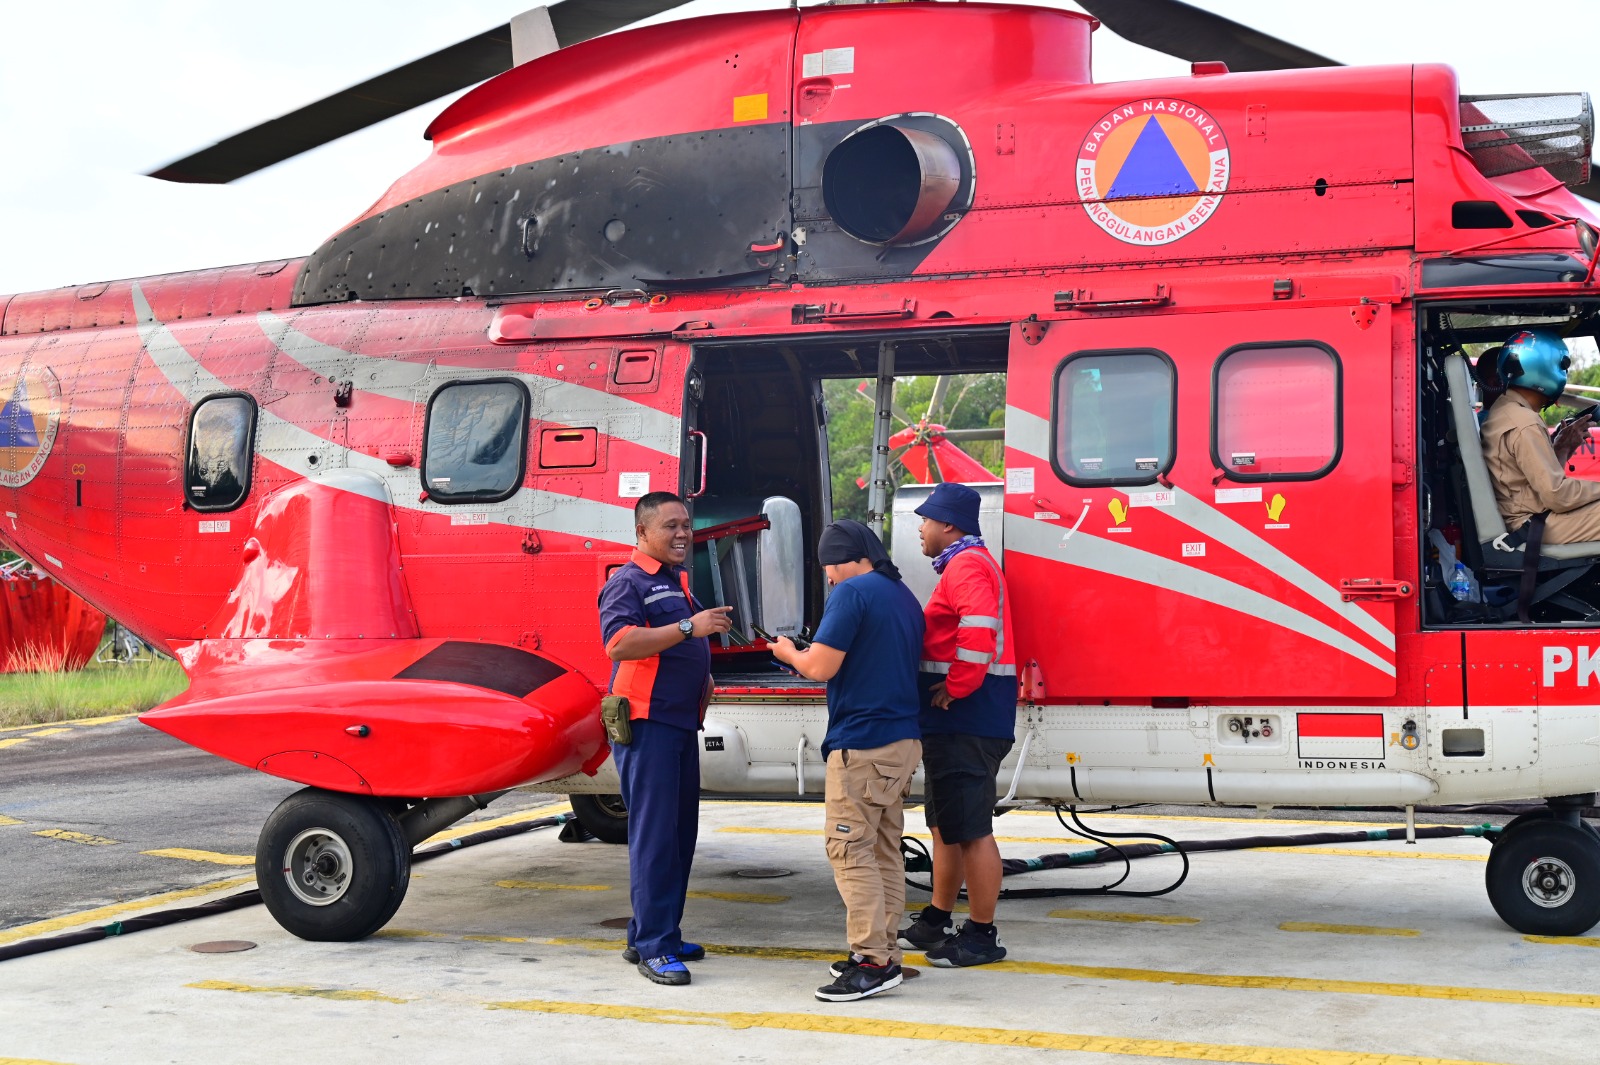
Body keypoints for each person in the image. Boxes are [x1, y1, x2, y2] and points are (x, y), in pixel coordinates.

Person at [771, 519, 924, 1002]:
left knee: (849, 851)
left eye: (828, 568)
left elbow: (820, 667)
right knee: (883, 851)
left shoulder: (853, 592)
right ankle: (886, 954)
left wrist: (788, 653)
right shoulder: (902, 595)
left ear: (845, 561)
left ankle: (870, 962)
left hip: (863, 743)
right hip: (901, 741)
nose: (828, 577)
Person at [597, 491, 732, 985]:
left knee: (678, 835)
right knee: (656, 838)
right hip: (648, 724)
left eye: (686, 524)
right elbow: (619, 643)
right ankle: (655, 947)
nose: (682, 533)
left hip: (677, 723)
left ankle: (655, 934)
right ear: (642, 532)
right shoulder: (628, 581)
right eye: (670, 525)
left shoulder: (674, 580)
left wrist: (703, 676)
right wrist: (689, 627)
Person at [897, 482, 1018, 968]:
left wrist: (958, 685)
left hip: (966, 717)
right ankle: (937, 919)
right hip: (957, 720)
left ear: (948, 525)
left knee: (970, 830)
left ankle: (982, 935)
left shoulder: (966, 565)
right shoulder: (966, 563)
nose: (920, 528)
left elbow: (979, 630)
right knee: (946, 826)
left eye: (926, 520)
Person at [1481, 329, 1600, 545]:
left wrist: (1561, 449)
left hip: (1532, 518)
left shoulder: (1506, 409)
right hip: (1533, 524)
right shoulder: (1524, 421)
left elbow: (1530, 483)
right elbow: (1558, 496)